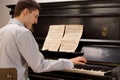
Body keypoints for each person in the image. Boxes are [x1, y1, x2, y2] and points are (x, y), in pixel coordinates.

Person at [0, 0, 87, 80]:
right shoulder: (23, 32)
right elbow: (39, 66)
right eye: (35, 16)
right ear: (25, 12)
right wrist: (70, 62)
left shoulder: (2, 31)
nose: (36, 21)